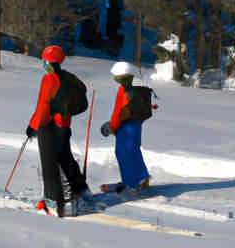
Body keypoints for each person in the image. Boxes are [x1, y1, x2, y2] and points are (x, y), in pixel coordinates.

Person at [26, 45, 91, 217]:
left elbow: (43, 106)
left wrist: (33, 126)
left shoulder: (49, 79)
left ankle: (54, 201)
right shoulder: (67, 77)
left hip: (49, 126)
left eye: (45, 60)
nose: (44, 63)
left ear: (50, 62)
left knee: (49, 164)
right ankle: (81, 190)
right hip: (63, 125)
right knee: (65, 157)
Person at [100, 61, 150, 193]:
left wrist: (111, 127)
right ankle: (142, 178)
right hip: (136, 125)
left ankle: (131, 183)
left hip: (126, 126)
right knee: (133, 150)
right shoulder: (135, 89)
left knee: (124, 152)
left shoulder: (125, 92)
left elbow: (119, 112)